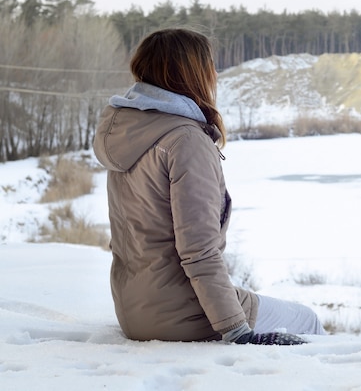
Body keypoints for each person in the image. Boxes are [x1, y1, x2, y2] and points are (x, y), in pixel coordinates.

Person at [93, 27, 325, 345]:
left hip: (133, 308)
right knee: (306, 320)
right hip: (180, 313)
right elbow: (198, 249)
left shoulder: (129, 130)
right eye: (209, 65)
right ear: (190, 73)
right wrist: (236, 330)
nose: (214, 73)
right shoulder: (184, 140)